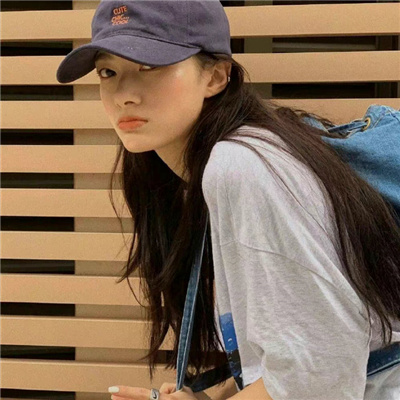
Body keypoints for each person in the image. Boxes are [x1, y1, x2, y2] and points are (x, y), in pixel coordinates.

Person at [56, 1, 400, 399]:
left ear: (216, 76)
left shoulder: (240, 165)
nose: (124, 95)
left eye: (150, 66)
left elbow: (314, 375)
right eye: (108, 72)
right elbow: (294, 351)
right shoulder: (212, 166)